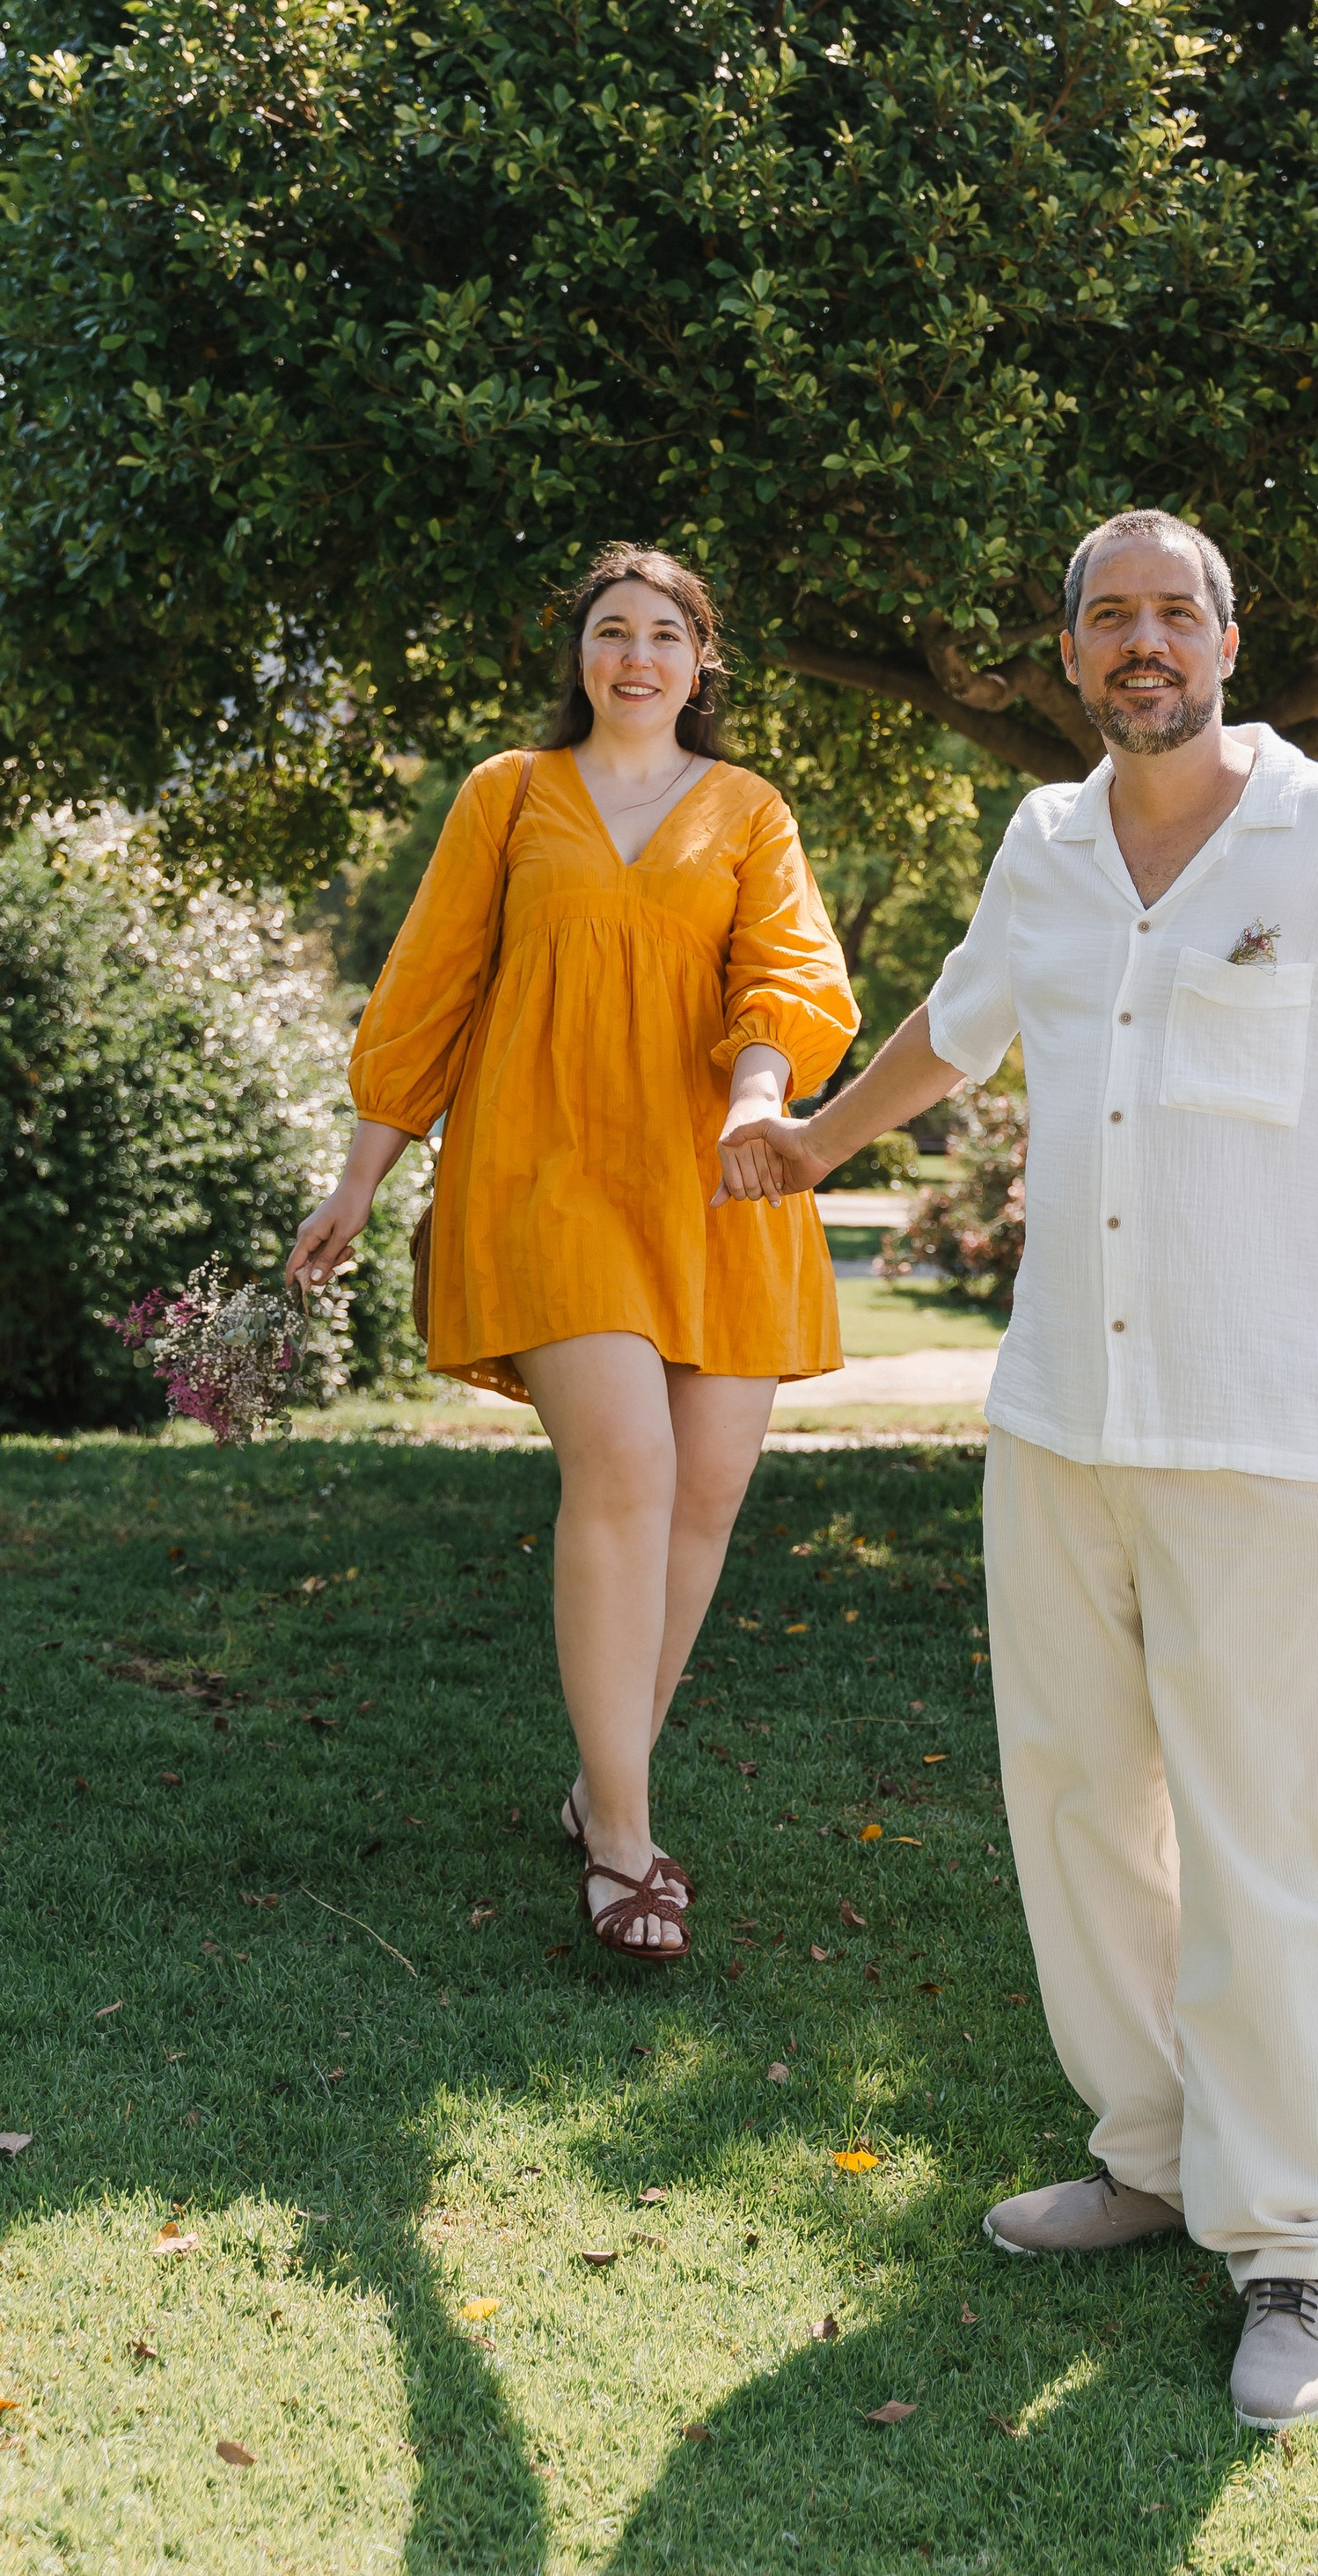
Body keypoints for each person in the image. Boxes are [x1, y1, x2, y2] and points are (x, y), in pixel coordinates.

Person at [725, 509, 1318, 2430]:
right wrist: (820, 1144)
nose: (1142, 642)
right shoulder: (1046, 847)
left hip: (1259, 1424)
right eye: (1108, 618)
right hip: (1058, 1413)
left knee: (1266, 1840)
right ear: (1068, 657)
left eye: (1175, 612)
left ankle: (1299, 2244)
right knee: (1077, 1806)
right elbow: (959, 1025)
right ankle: (1151, 2158)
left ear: (1228, 642)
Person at [287, 545, 857, 1963]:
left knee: (709, 1488)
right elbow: (430, 981)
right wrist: (364, 1170)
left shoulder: (749, 808)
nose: (636, 657)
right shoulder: (509, 793)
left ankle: (607, 1775)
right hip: (545, 1169)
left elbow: (788, 972)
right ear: (582, 657)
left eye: (664, 634)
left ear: (699, 662)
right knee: (630, 1467)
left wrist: (759, 1093)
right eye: (612, 632)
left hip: (721, 1180)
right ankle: (623, 1840)